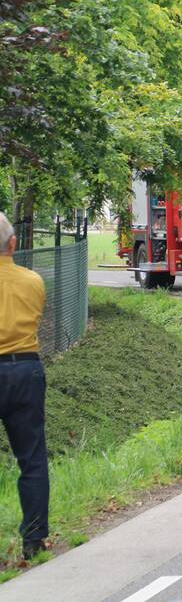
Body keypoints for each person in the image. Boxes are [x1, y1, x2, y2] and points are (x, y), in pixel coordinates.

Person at [0, 212, 49, 560]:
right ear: (13, 243)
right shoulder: (34, 281)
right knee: (31, 459)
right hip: (26, 369)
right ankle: (33, 539)